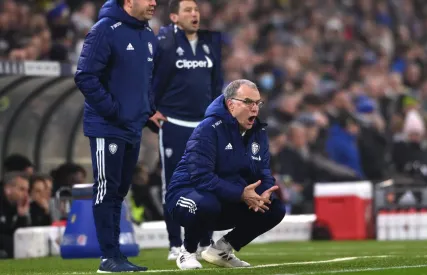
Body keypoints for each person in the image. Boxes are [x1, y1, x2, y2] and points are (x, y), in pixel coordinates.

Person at [165, 79, 286, 270]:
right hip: (185, 195)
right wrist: (240, 194)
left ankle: (221, 249)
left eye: (257, 103)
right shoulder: (208, 128)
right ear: (231, 104)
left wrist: (264, 191)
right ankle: (187, 251)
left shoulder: (258, 132)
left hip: (224, 196)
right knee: (207, 203)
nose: (254, 108)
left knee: (273, 208)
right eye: (248, 102)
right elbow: (201, 177)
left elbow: (262, 170)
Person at [74, 0, 157, 272]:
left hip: (132, 127)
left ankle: (117, 256)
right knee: (106, 189)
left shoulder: (147, 35)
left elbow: (147, 81)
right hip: (107, 127)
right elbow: (85, 76)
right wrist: (113, 110)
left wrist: (147, 110)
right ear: (129, 2)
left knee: (120, 191)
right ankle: (108, 257)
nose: (154, 2)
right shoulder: (104, 29)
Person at [148, 0, 223, 260]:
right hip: (174, 123)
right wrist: (151, 108)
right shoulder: (165, 44)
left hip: (204, 125)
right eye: (188, 10)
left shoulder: (209, 44)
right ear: (174, 17)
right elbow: (151, 79)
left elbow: (217, 85)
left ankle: (204, 242)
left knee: (208, 183)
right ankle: (174, 244)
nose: (194, 14)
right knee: (174, 185)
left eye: (196, 10)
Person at [0, 172, 30, 259]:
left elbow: (19, 235)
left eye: (27, 190)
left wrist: (22, 216)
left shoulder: (15, 205)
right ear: (8, 189)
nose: (26, 194)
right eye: (22, 189)